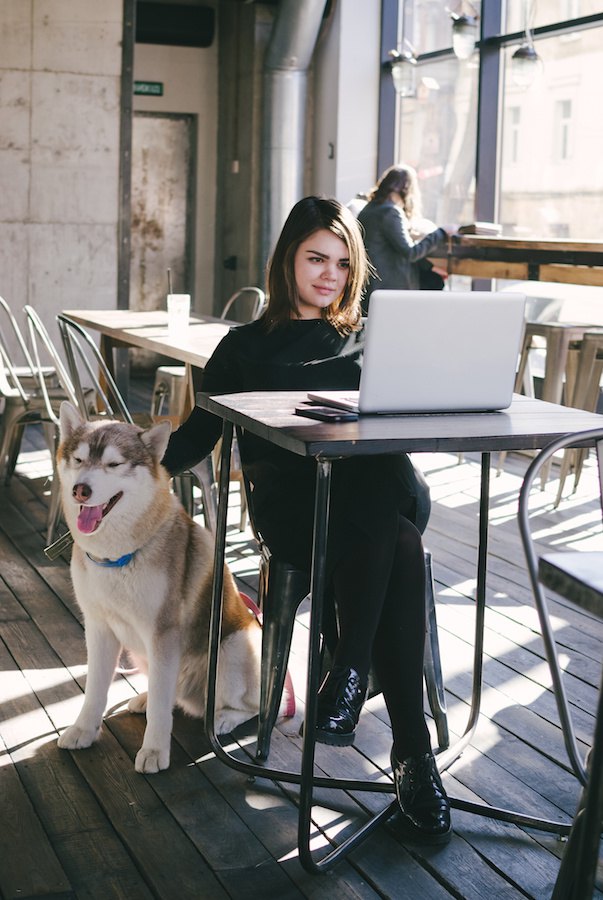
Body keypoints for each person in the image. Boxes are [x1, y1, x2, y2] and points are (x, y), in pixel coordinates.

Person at [161, 195, 452, 844]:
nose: (329, 275)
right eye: (316, 258)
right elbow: (191, 441)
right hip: (295, 512)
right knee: (398, 540)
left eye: (344, 265)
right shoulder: (241, 348)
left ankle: (347, 671)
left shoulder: (368, 336)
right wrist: (125, 457)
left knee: (378, 475)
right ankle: (408, 753)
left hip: (370, 498)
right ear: (286, 259)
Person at [357, 164, 456, 312]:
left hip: (371, 287)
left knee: (433, 280)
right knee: (435, 287)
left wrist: (430, 267)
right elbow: (410, 252)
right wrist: (441, 232)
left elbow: (392, 249)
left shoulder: (368, 210)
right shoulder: (390, 212)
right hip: (391, 288)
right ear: (407, 188)